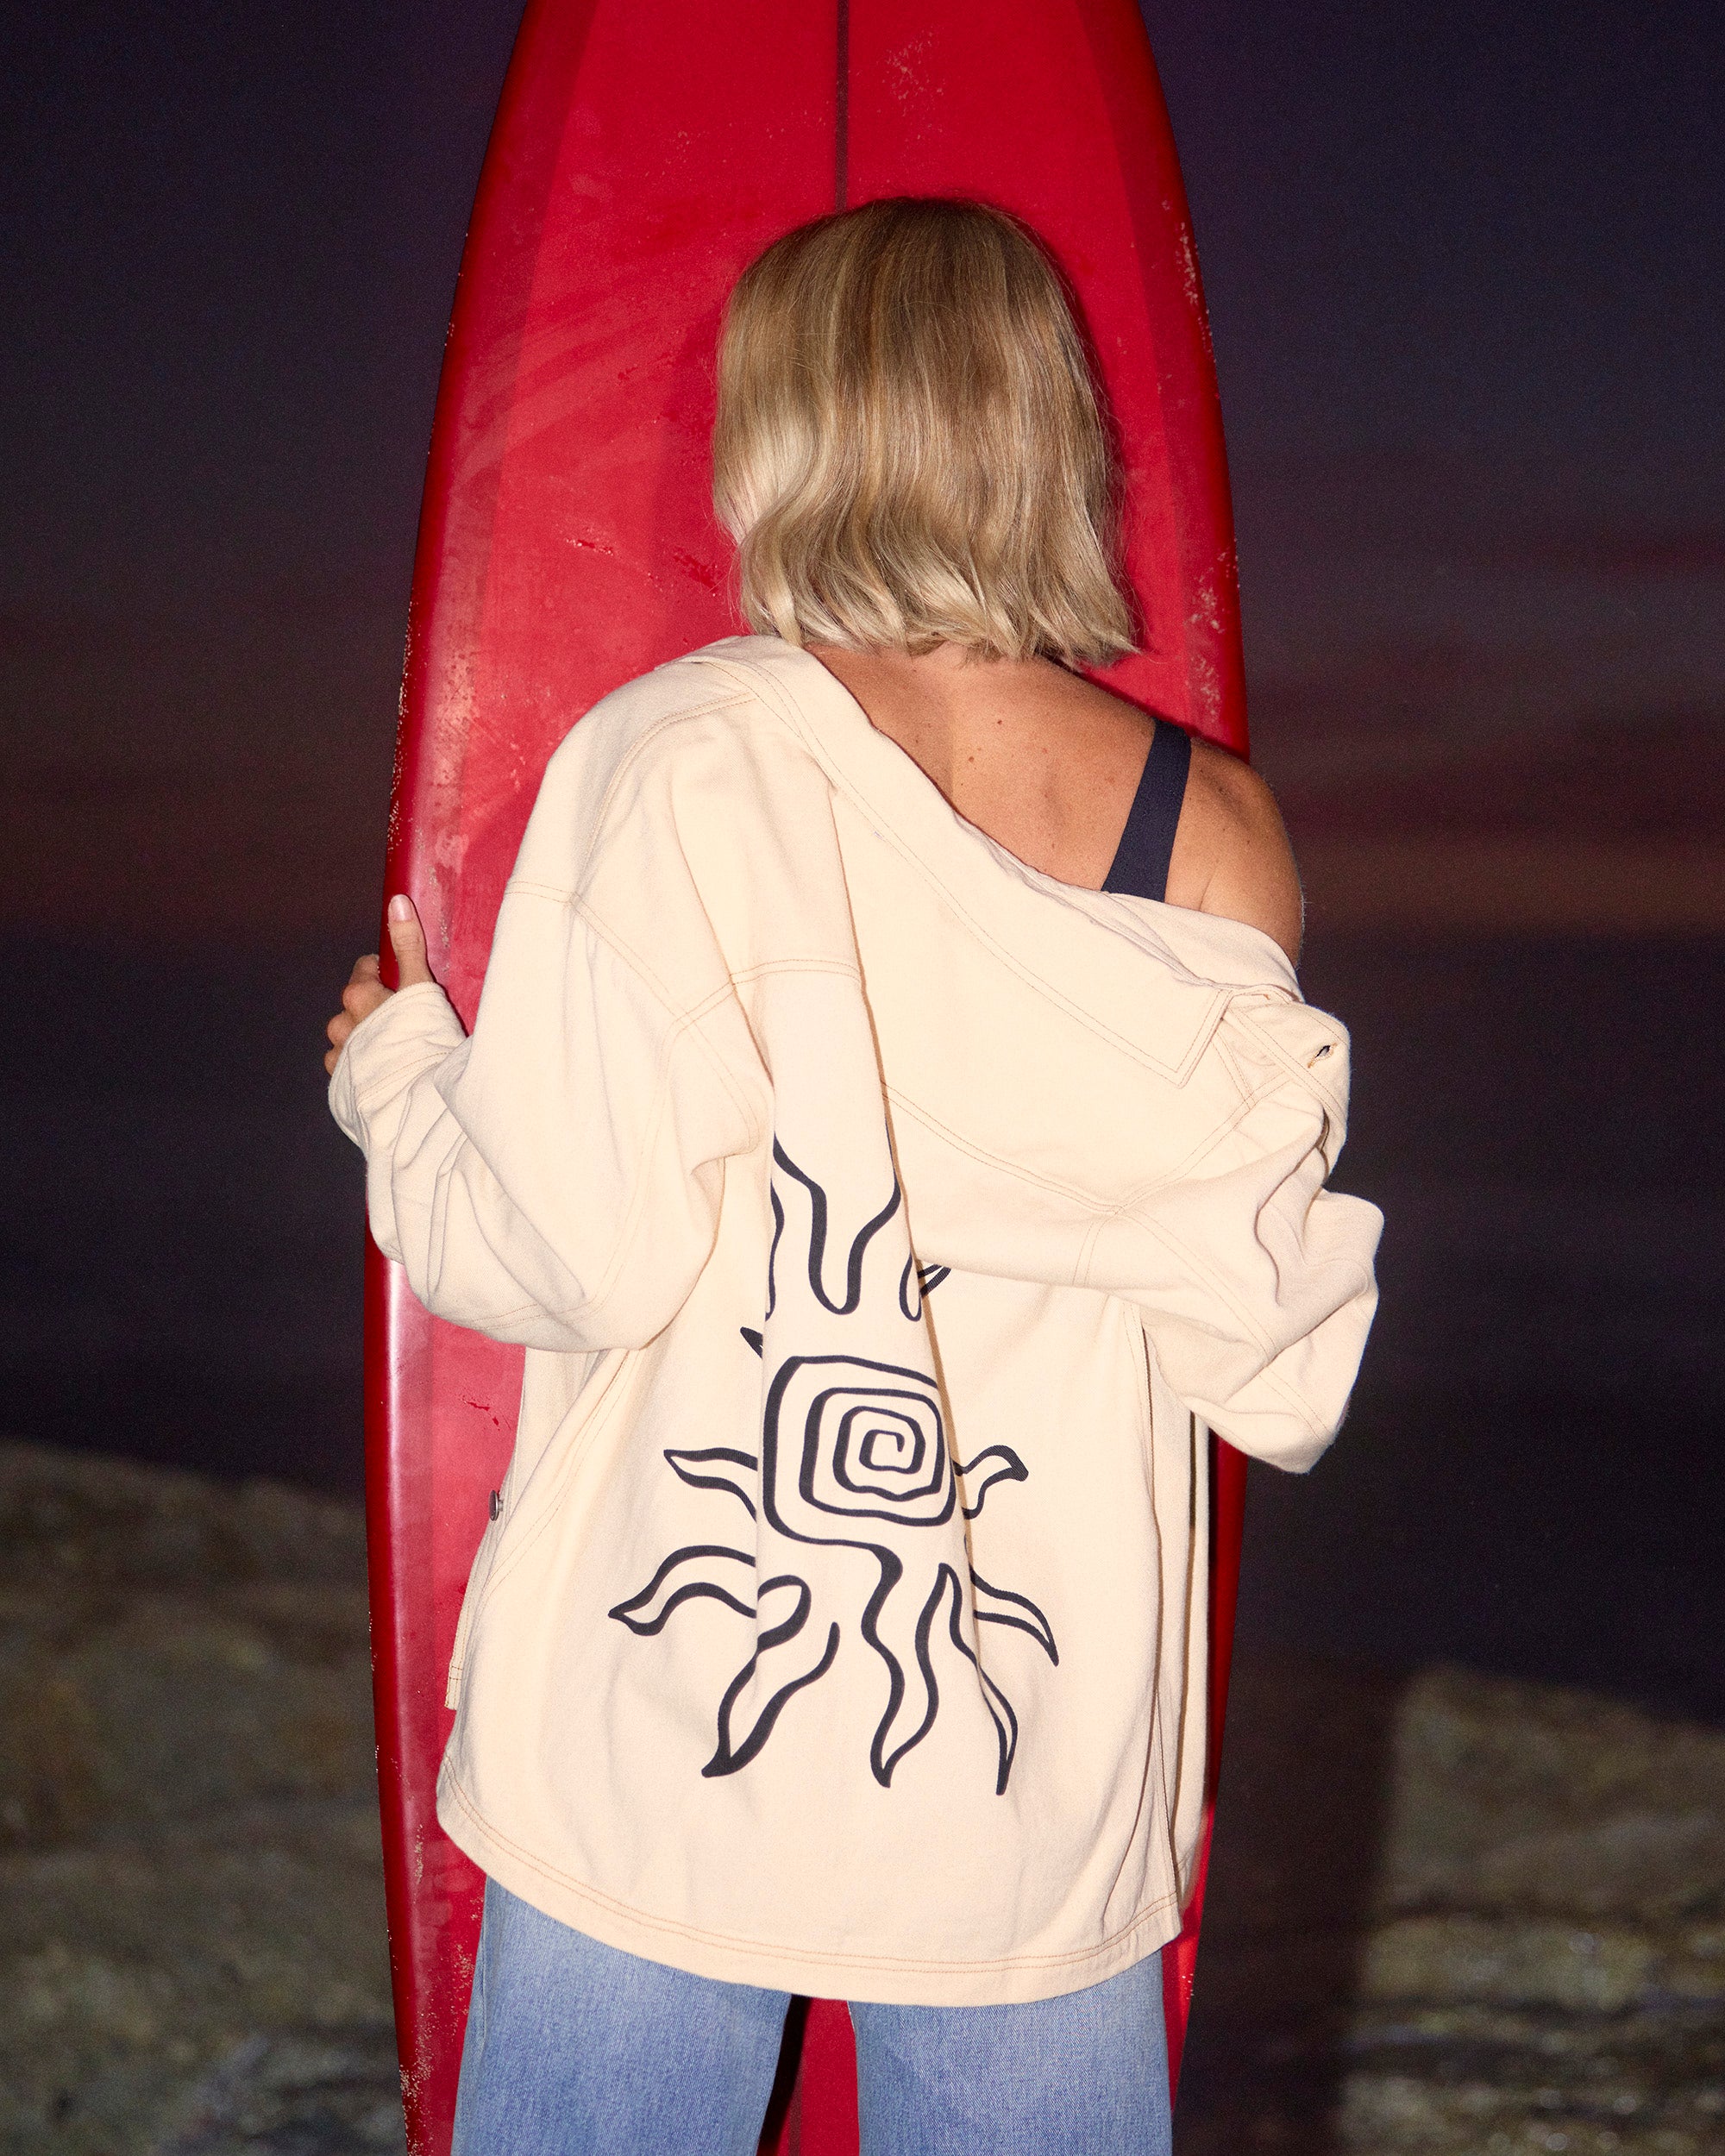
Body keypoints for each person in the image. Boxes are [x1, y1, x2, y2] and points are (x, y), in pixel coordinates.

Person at [325, 198, 1380, 2156]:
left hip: (665, 1733)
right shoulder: (1215, 835)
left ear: (779, 435)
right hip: (1025, 1776)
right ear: (1045, 436)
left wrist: (398, 1077)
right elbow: (1274, 1362)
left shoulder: (674, 760)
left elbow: (562, 1252)